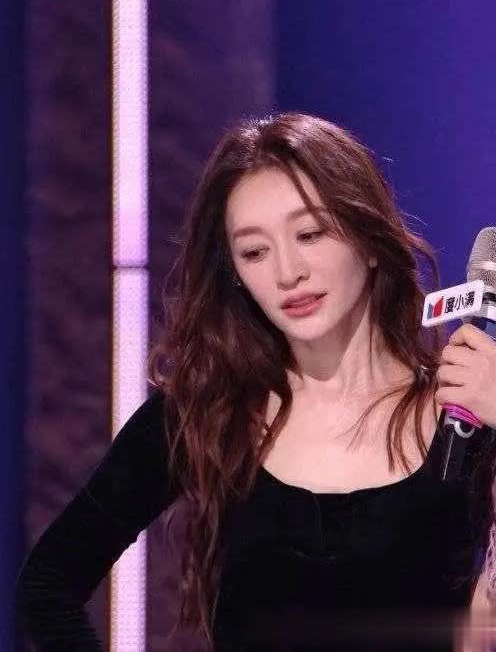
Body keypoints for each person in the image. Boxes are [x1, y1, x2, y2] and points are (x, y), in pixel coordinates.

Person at [16, 112, 496, 651]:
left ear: (367, 238)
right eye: (254, 252)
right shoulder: (205, 415)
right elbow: (47, 587)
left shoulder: (466, 413)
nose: (287, 272)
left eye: (309, 234)